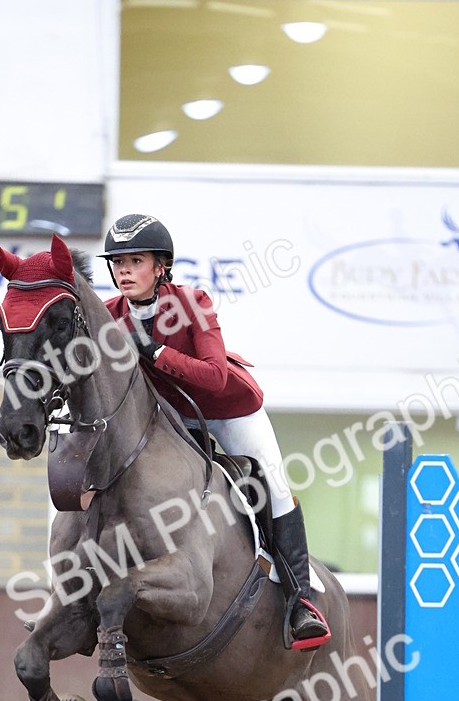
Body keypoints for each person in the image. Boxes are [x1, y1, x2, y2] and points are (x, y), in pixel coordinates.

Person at [100, 212, 329, 651]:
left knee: (274, 486)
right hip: (171, 421)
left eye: (135, 261)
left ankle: (302, 600)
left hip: (228, 410)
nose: (124, 271)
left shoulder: (193, 304)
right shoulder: (109, 316)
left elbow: (215, 376)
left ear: (161, 267)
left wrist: (155, 351)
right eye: (118, 262)